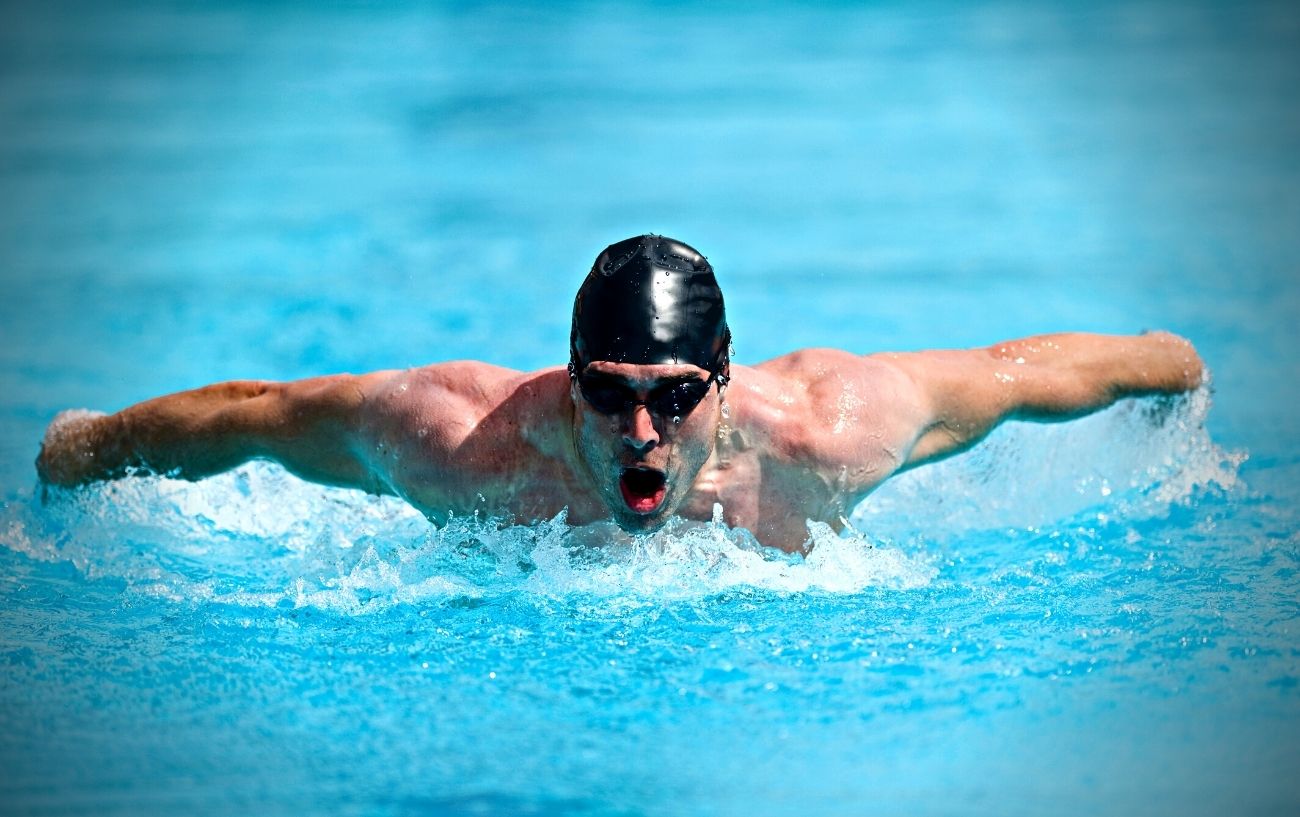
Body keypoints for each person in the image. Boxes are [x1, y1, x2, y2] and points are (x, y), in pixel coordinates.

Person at [35, 235, 1204, 553]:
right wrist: (82, 448)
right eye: (607, 396)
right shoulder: (465, 442)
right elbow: (265, 413)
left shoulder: (828, 429)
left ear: (725, 378)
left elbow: (1027, 373)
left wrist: (1169, 361)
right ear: (568, 374)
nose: (638, 432)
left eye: (673, 397)